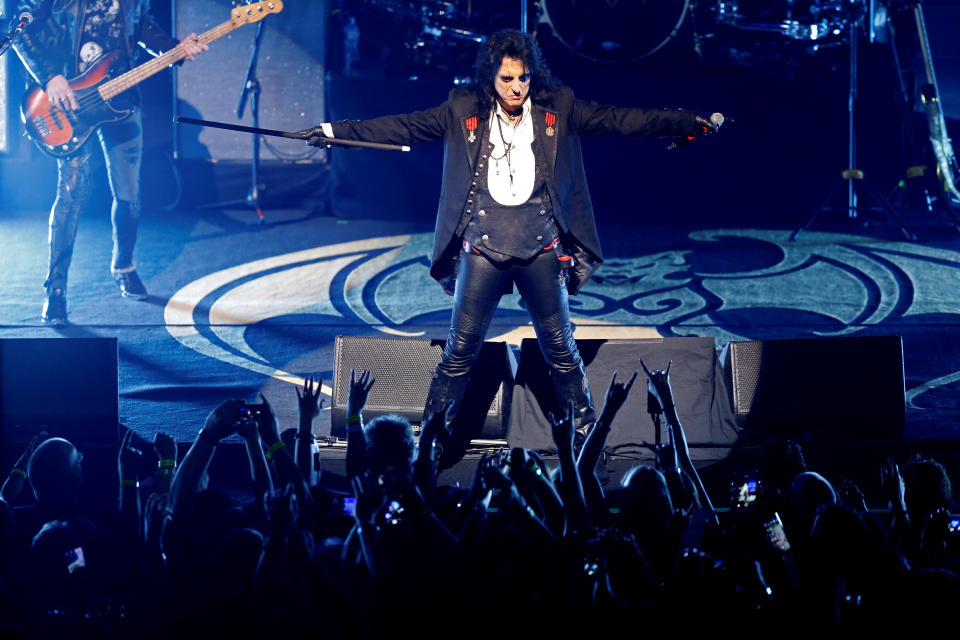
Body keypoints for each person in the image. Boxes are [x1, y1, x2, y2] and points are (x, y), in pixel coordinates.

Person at [309, 29, 723, 434]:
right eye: (507, 78)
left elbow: (622, 120)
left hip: (541, 246)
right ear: (490, 76)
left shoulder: (557, 106)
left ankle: (584, 434)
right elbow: (403, 126)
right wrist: (334, 134)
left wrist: (685, 122)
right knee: (458, 353)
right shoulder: (461, 107)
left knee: (561, 350)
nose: (516, 87)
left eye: (523, 78)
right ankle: (433, 440)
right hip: (482, 246)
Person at [12, 0, 208, 324]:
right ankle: (55, 289)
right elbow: (22, 29)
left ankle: (124, 267)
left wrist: (174, 48)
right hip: (71, 101)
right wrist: (50, 77)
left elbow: (142, 26)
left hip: (120, 96)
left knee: (129, 195)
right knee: (70, 196)